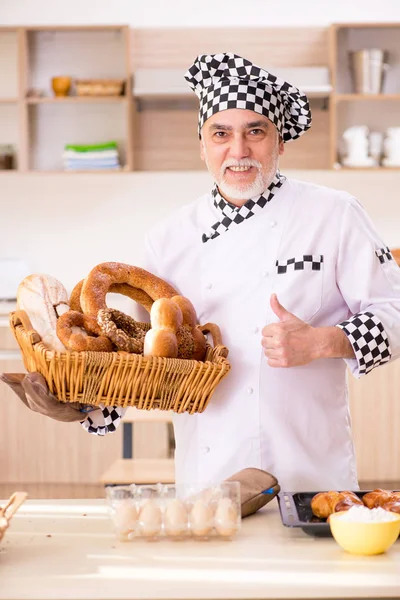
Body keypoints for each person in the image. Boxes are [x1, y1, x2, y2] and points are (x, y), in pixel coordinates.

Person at [2, 53, 400, 491]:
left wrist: (326, 340)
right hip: (210, 478)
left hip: (310, 473)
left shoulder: (334, 213)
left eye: (255, 131)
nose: (239, 150)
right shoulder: (168, 239)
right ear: (202, 145)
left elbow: (394, 311)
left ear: (280, 142)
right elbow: (138, 361)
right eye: (221, 134)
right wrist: (82, 408)